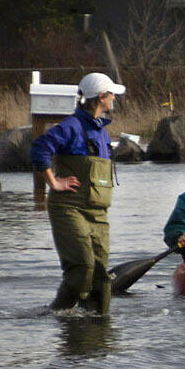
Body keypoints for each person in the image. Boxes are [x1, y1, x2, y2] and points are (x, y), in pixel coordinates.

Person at [30, 72, 124, 314]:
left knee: (101, 272)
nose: (114, 98)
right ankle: (58, 313)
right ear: (101, 97)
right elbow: (40, 147)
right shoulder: (72, 126)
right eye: (112, 94)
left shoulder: (102, 132)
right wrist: (54, 182)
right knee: (83, 265)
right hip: (69, 208)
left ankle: (97, 325)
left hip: (98, 213)